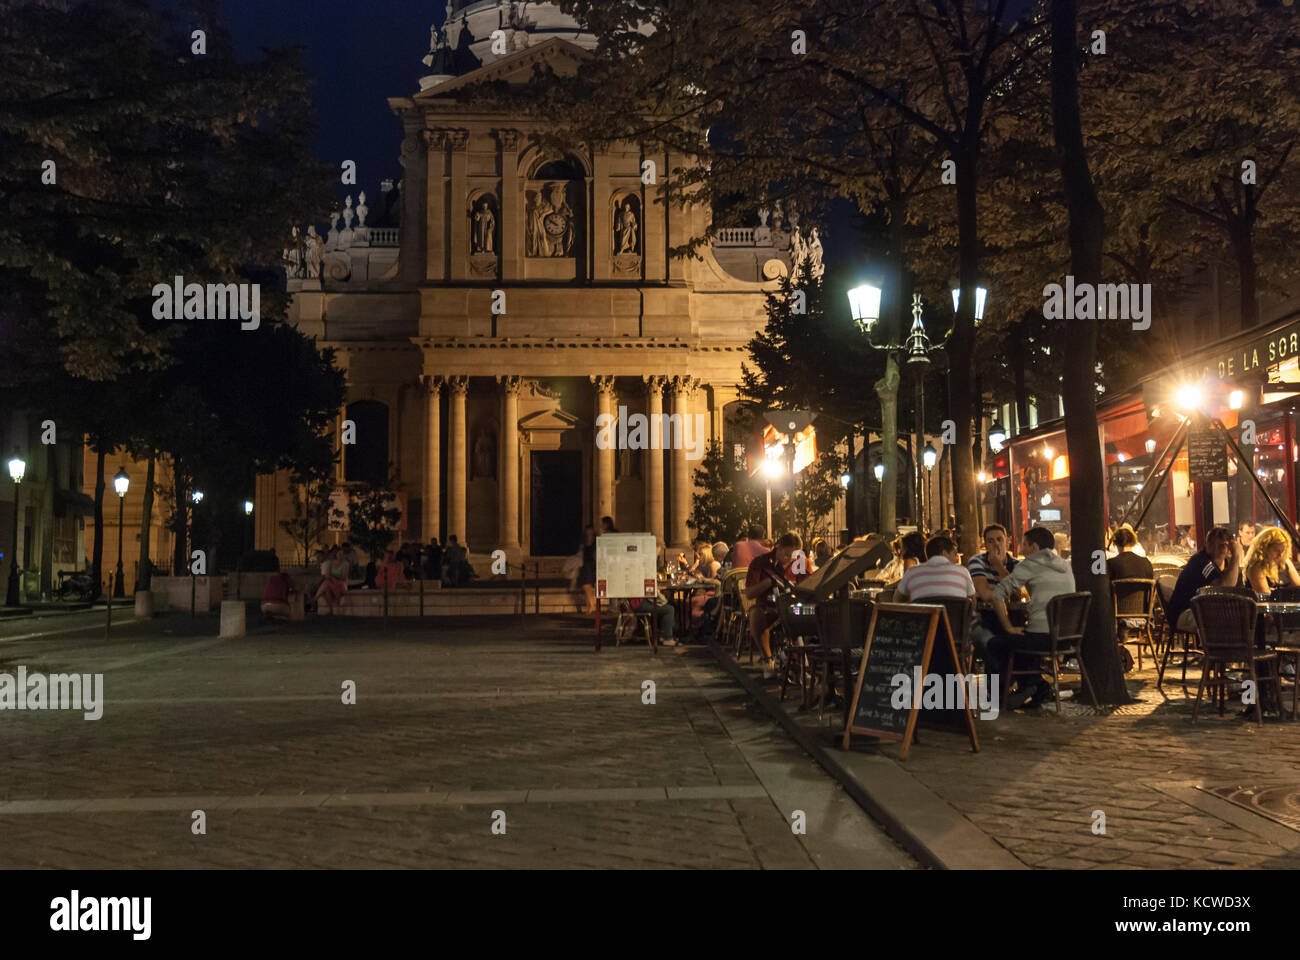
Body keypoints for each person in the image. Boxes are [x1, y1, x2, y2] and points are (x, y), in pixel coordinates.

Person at [987, 526, 1078, 709]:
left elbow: (998, 594)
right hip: (1067, 638)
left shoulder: (1030, 564)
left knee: (996, 643)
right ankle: (1037, 687)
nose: (1021, 550)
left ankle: (1010, 693)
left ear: (1034, 548)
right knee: (1022, 639)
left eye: (1024, 545)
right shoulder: (1065, 565)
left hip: (1042, 638)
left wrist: (1008, 627)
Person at [745, 533, 807, 678]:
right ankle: (768, 658)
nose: (790, 559)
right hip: (769, 607)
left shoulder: (800, 562)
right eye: (786, 554)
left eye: (794, 555)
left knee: (812, 613)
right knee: (756, 615)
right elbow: (749, 593)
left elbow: (807, 584)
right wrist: (768, 582)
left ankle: (800, 661)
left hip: (793, 606)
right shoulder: (760, 563)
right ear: (778, 547)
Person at [1166, 526, 1244, 634]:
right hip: (1185, 612)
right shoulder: (1201, 561)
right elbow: (1223, 588)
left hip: (1206, 609)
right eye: (1212, 544)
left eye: (1222, 546)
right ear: (1207, 545)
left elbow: (1239, 592)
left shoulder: (1228, 565)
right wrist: (1236, 556)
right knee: (1225, 618)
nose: (1217, 549)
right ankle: (1218, 650)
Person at [967, 523, 1021, 674]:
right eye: (991, 541)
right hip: (983, 619)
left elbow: (1017, 594)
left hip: (1012, 617)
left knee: (1018, 641)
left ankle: (1011, 686)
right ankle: (1001, 689)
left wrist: (998, 567)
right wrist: (1006, 589)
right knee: (992, 644)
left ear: (1007, 542)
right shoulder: (977, 561)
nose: (996, 544)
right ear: (985, 544)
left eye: (999, 539)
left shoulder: (1017, 564)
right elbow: (984, 593)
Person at [896, 535, 976, 602]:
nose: (956, 558)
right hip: (954, 620)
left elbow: (896, 600)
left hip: (923, 620)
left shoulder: (912, 572)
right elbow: (972, 601)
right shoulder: (963, 572)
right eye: (954, 554)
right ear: (944, 553)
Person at [1243, 525, 1300, 596]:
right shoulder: (1256, 567)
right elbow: (1265, 596)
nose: (1280, 555)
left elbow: (1298, 587)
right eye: (1276, 550)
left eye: (1283, 551)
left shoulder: (1285, 562)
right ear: (1264, 548)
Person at [314, 546, 349, 614]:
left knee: (326, 583)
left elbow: (343, 577)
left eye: (342, 554)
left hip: (341, 584)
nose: (340, 556)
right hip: (332, 582)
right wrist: (332, 578)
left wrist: (332, 577)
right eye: (339, 554)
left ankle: (314, 599)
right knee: (327, 588)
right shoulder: (331, 563)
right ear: (336, 555)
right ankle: (331, 610)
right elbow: (327, 575)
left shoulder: (345, 564)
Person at [577, 524, 598, 614]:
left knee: (587, 586)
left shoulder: (595, 543)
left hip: (591, 566)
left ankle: (592, 605)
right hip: (584, 566)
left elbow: (596, 555)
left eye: (590, 532)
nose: (589, 533)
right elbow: (580, 553)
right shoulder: (584, 542)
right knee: (586, 587)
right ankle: (591, 605)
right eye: (587, 532)